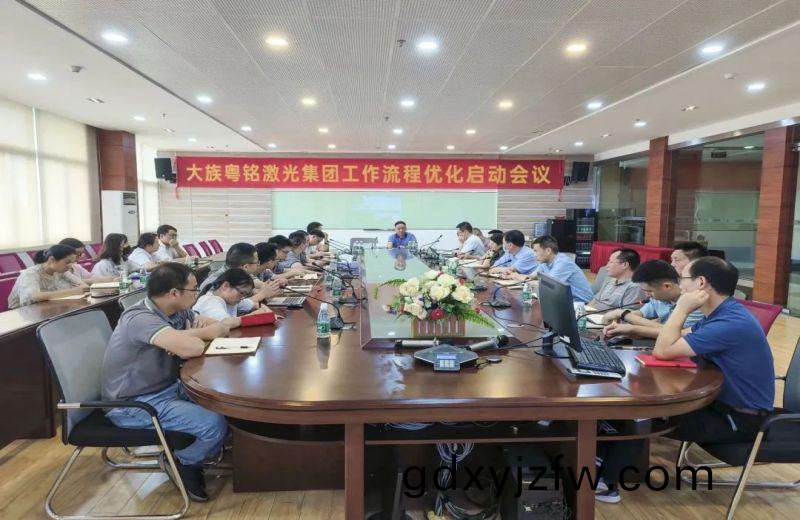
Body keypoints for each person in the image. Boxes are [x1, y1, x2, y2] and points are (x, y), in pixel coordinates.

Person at [595, 257, 775, 503]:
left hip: (737, 419)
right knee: (627, 407)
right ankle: (598, 460)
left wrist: (681, 309)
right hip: (718, 404)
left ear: (701, 283)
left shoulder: (731, 323)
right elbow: (680, 335)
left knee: (637, 412)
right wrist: (632, 329)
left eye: (683, 279)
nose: (680, 284)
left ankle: (607, 484)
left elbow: (664, 350)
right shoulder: (723, 313)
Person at [102, 263, 229, 502]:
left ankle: (197, 453)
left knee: (224, 402)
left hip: (168, 387)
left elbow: (220, 327)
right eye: (194, 289)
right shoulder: (139, 318)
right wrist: (192, 338)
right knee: (214, 424)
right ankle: (183, 461)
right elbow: (194, 348)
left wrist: (180, 338)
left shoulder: (177, 312)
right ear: (174, 293)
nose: (198, 293)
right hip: (133, 404)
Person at [602, 260, 704, 339]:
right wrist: (619, 320)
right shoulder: (660, 298)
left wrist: (624, 315)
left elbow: (676, 333)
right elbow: (640, 314)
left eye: (649, 291)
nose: (647, 295)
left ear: (667, 286)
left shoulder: (694, 301)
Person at [506, 236, 593, 302]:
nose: (534, 255)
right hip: (563, 300)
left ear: (548, 251)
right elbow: (531, 277)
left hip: (581, 303)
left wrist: (519, 277)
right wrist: (513, 275)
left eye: (536, 251)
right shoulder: (544, 262)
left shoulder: (563, 262)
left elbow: (549, 286)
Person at [199, 243, 282, 312]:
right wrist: (262, 294)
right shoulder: (216, 281)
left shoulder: (239, 274)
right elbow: (236, 306)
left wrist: (264, 292)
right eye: (257, 262)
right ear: (246, 267)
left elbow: (244, 300)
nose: (258, 264)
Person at [7, 245, 88, 309]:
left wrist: (77, 290)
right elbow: (35, 296)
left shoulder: (61, 271)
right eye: (67, 262)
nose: (70, 266)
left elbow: (84, 287)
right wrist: (72, 291)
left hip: (47, 307)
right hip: (21, 313)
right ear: (52, 260)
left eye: (73, 262)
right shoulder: (30, 273)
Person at [193, 268, 271, 329]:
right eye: (242, 293)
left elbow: (254, 304)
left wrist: (265, 310)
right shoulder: (211, 302)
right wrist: (252, 317)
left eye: (245, 295)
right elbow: (223, 324)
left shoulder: (230, 300)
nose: (242, 298)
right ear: (225, 286)